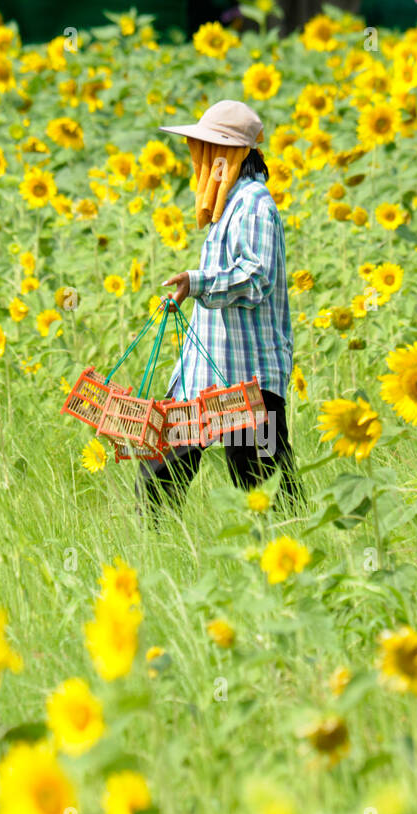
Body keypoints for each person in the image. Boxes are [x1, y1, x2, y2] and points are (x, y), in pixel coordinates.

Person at [147, 100, 303, 514]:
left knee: (264, 482)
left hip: (248, 381)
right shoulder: (228, 204)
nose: (195, 159)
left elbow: (255, 277)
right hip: (207, 374)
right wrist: (189, 290)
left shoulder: (254, 204)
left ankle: (298, 557)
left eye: (201, 149)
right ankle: (156, 555)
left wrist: (197, 282)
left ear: (225, 156)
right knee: (161, 469)